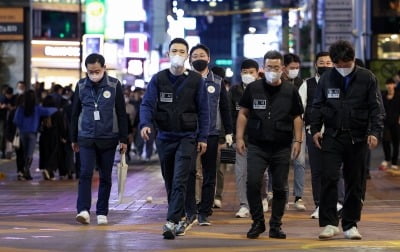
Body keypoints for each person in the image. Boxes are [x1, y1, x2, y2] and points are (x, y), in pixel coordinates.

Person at [310, 40, 385, 240]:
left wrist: (374, 132)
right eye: (338, 65)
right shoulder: (327, 78)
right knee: (329, 177)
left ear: (352, 60)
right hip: (332, 136)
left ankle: (350, 224)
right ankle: (328, 223)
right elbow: (317, 105)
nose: (342, 68)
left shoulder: (367, 77)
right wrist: (315, 129)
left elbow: (376, 109)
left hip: (358, 137)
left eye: (346, 64)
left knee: (355, 181)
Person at [140, 38, 209, 239]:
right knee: (170, 179)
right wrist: (145, 124)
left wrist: (202, 137)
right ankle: (182, 217)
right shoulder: (158, 79)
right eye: (174, 50)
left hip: (187, 137)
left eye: (181, 51)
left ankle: (171, 221)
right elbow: (147, 104)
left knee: (180, 177)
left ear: (187, 56)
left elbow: (204, 111)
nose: (177, 54)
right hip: (164, 137)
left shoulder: (196, 81)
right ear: (168, 54)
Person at [236, 50, 304, 239]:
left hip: (281, 146)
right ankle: (258, 222)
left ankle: (276, 225)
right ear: (263, 69)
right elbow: (243, 113)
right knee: (253, 183)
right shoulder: (253, 88)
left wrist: (297, 141)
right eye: (269, 67)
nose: (272, 70)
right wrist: (240, 138)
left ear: (282, 68)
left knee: (280, 187)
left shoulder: (290, 91)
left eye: (276, 67)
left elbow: (297, 117)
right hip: (257, 145)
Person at [70, 53, 128, 226]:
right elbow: (74, 114)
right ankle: (83, 210)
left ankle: (102, 212)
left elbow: (121, 113)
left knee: (105, 177)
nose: (93, 74)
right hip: (85, 137)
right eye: (90, 71)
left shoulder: (114, 85)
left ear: (104, 68)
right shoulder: (80, 86)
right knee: (85, 173)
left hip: (108, 138)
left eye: (96, 70)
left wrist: (123, 138)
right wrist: (73, 137)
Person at [184, 43, 233, 227]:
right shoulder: (184, 80)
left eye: (202, 55)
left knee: (209, 173)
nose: (199, 59)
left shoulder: (218, 82)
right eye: (195, 56)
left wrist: (229, 132)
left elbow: (225, 109)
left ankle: (205, 211)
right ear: (190, 59)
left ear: (209, 59)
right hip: (189, 134)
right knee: (189, 172)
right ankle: (190, 209)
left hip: (212, 133)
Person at [298, 51, 345, 219]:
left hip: (336, 134)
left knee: (336, 170)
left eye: (328, 63)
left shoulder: (342, 83)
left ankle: (339, 203)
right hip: (314, 133)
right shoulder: (307, 84)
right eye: (322, 63)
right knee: (317, 171)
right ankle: (320, 205)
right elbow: (299, 110)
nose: (325, 65)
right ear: (315, 65)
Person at [13, 90, 58, 180]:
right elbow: (49, 111)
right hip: (33, 133)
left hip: (23, 133)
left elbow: (16, 121)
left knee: (24, 152)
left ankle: (24, 171)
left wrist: (22, 126)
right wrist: (57, 108)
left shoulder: (20, 108)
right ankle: (26, 170)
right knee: (30, 153)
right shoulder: (37, 108)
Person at [282, 53, 306, 211]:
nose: (295, 70)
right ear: (284, 68)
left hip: (299, 127)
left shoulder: (302, 84)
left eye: (297, 68)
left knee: (300, 162)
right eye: (292, 68)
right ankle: (279, 195)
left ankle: (299, 196)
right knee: (280, 162)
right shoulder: (276, 82)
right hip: (281, 128)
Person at [379, 78, 400, 171]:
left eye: (391, 84)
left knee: (396, 142)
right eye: (388, 84)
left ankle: (394, 162)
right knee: (385, 141)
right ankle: (387, 159)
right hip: (386, 122)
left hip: (396, 122)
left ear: (394, 85)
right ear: (386, 86)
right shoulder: (383, 96)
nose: (390, 86)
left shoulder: (399, 96)